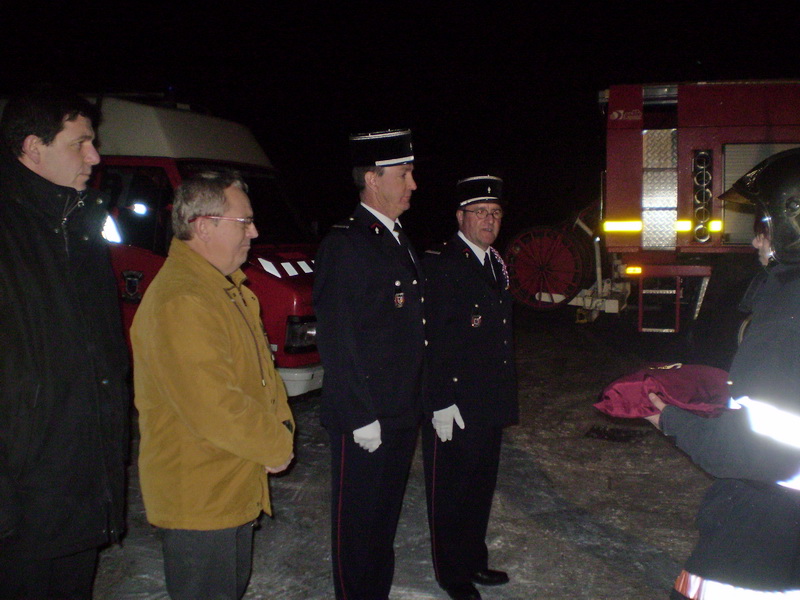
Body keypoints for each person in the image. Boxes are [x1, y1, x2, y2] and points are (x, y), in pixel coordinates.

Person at [130, 171, 295, 600]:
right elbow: (215, 405)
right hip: (200, 498)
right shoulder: (184, 300)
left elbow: (259, 378)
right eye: (244, 222)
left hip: (229, 485)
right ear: (204, 226)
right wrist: (276, 445)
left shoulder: (225, 289)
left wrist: (281, 427)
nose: (254, 232)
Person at [645, 148, 800, 599]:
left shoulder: (786, 319)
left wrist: (668, 419)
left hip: (763, 539)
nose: (755, 242)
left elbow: (757, 451)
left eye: (761, 225)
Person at [0, 88, 130, 598]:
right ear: (33, 148)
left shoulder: (82, 225)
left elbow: (104, 359)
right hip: (20, 505)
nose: (95, 158)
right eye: (81, 143)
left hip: (78, 492)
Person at [313, 128, 425, 599]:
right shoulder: (346, 245)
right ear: (374, 179)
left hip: (399, 411)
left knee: (382, 524)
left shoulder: (395, 239)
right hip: (367, 417)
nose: (414, 184)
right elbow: (339, 339)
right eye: (405, 174)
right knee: (358, 530)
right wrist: (361, 415)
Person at [421, 175, 518, 600]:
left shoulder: (494, 260)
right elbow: (433, 338)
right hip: (455, 402)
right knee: (451, 492)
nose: (489, 220)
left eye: (495, 213)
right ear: (460, 216)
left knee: (479, 485)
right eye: (479, 212)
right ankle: (451, 574)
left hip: (487, 399)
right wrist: (440, 400)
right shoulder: (444, 262)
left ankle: (473, 560)